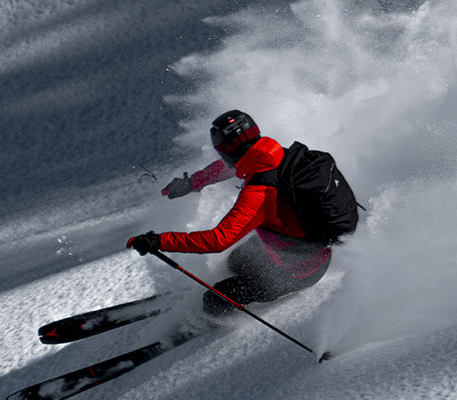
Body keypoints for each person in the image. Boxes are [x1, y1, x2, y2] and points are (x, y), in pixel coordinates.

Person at [127, 109, 347, 318]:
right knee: (235, 262)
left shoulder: (259, 192)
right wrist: (191, 183)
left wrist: (157, 241)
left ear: (228, 153)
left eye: (222, 152)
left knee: (214, 302)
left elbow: (217, 240)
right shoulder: (277, 154)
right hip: (296, 248)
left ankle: (209, 327)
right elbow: (222, 169)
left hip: (295, 274)